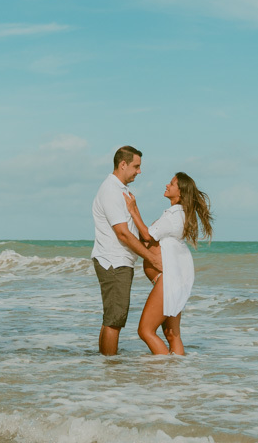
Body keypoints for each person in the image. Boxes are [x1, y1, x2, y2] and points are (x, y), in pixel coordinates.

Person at [123, 171, 213, 355]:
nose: (167, 185)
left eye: (172, 184)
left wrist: (133, 210)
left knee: (145, 331)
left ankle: (164, 371)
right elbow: (147, 236)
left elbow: (147, 235)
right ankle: (176, 375)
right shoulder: (180, 214)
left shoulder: (173, 215)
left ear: (180, 193)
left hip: (169, 280)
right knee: (172, 334)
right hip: (175, 279)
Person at [91, 146, 164, 356]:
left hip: (117, 260)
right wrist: (151, 258)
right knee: (115, 321)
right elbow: (122, 233)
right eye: (136, 166)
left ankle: (105, 367)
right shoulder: (111, 191)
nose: (139, 171)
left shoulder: (121, 190)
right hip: (113, 261)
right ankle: (111, 372)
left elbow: (132, 230)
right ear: (123, 164)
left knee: (111, 319)